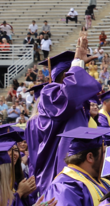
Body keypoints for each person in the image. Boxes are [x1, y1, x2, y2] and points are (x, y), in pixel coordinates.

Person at [26, 37, 101, 197]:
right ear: (67, 75)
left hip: (77, 174)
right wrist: (77, 63)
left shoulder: (78, 103)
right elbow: (71, 94)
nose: (84, 76)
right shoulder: (50, 94)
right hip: (61, 178)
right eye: (78, 73)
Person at [37, 127, 110, 206]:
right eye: (103, 152)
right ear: (90, 157)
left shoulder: (103, 181)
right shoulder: (63, 188)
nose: (107, 156)